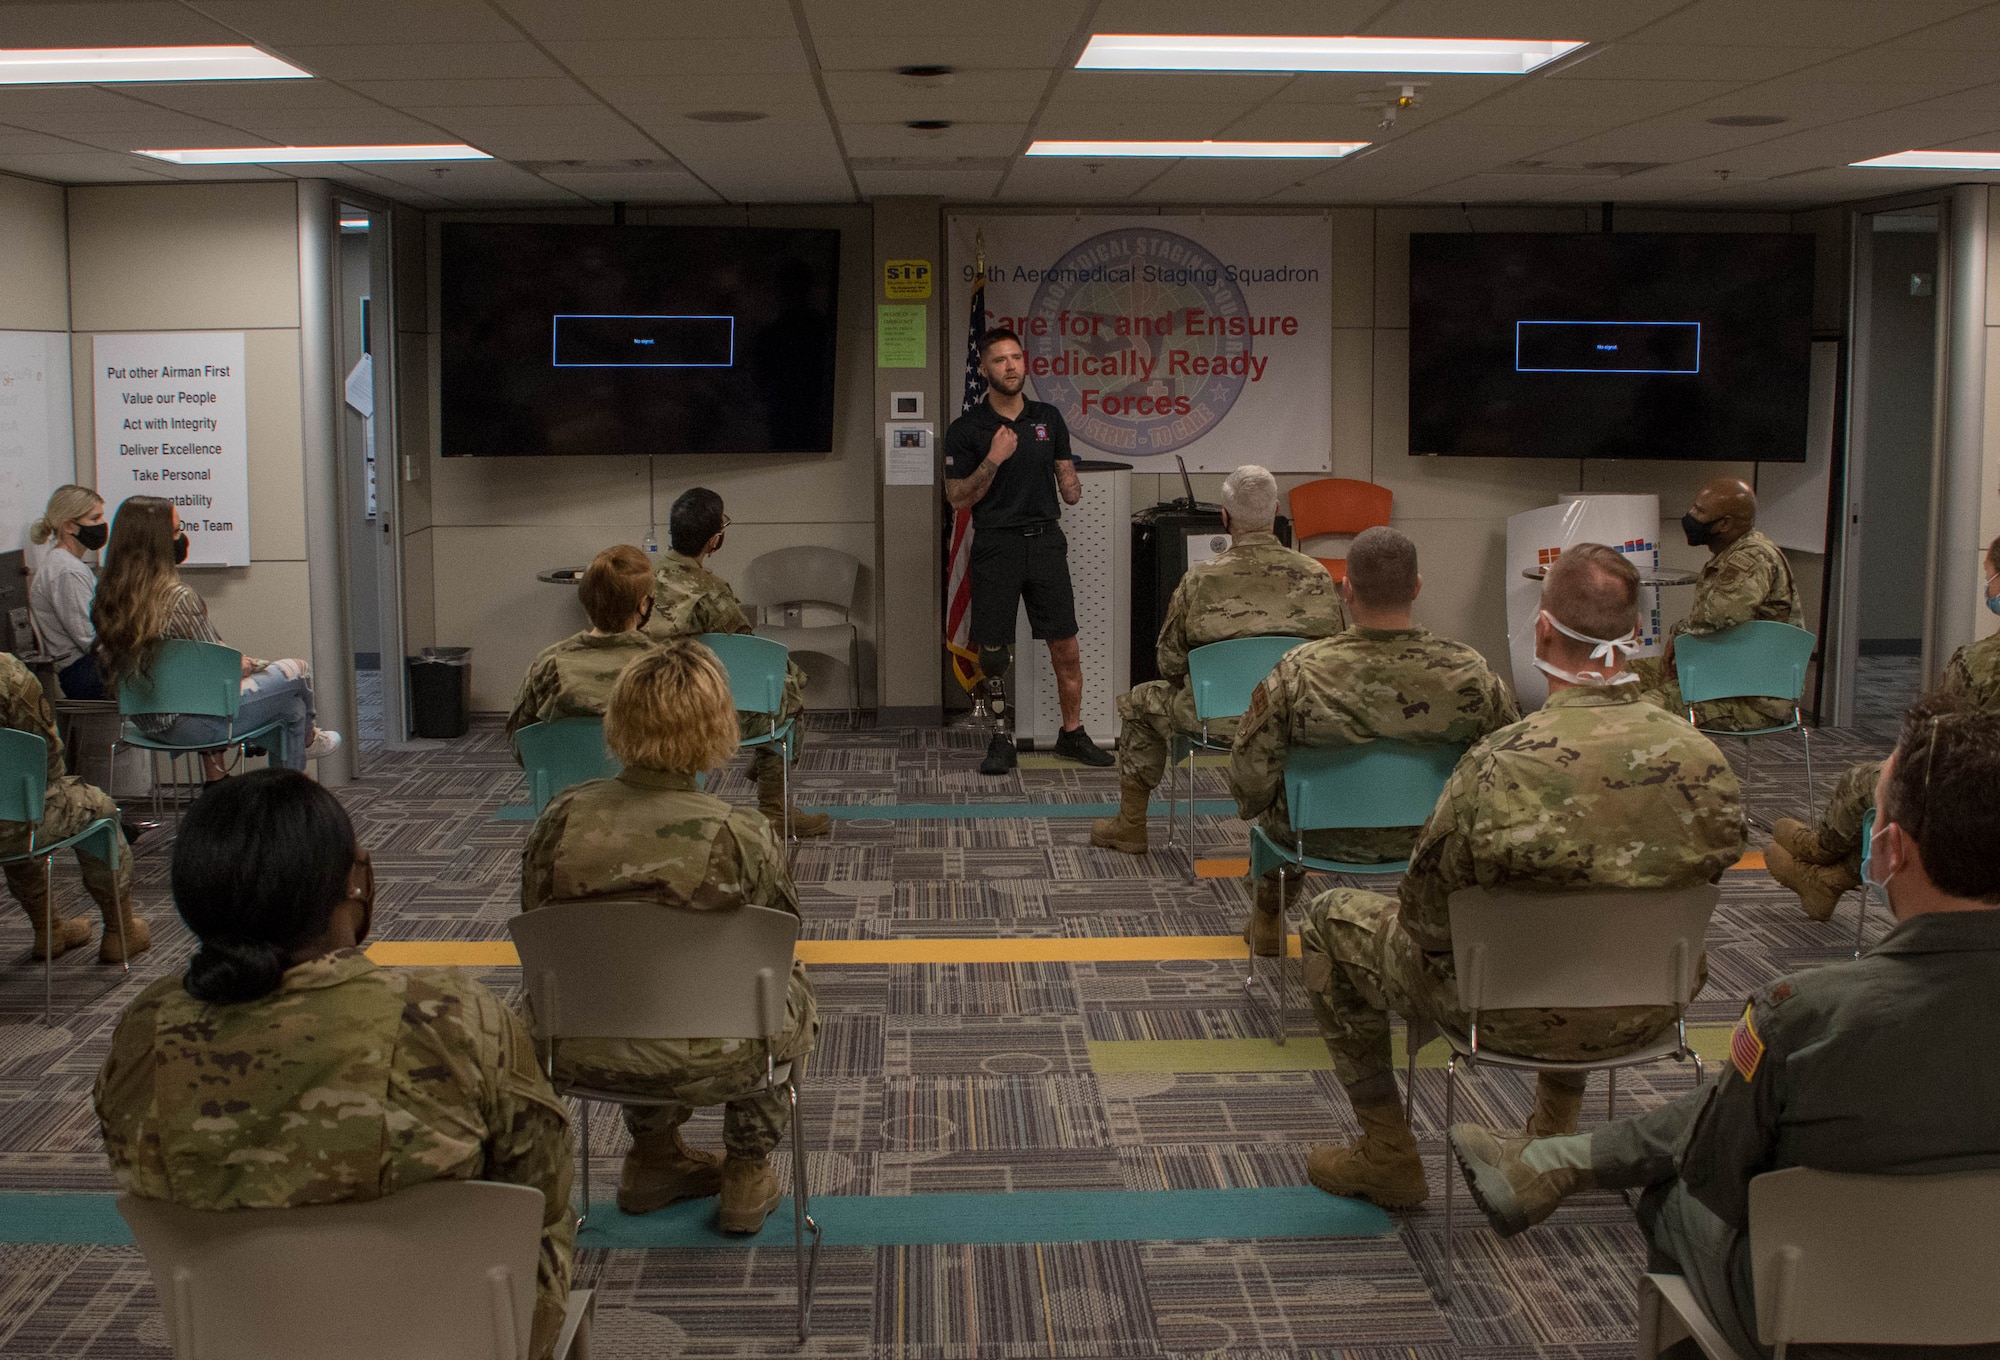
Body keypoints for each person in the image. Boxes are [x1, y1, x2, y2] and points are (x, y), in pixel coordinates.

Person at [1448, 698, 2000, 1360]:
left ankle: (1558, 1163)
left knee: (1677, 1188)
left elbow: (1719, 1174)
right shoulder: (1809, 1018)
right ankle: (1557, 1162)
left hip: (1816, 1321)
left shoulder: (1801, 1014)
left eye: (1873, 816)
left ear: (1892, 850)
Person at [1297, 544, 1745, 1208]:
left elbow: (1423, 919)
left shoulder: (1498, 765)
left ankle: (1388, 1154)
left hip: (1498, 1010)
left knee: (1328, 920)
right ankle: (1549, 1138)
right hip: (1650, 1006)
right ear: (1636, 635)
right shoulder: (1706, 761)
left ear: (1542, 629)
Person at [93, 770, 575, 1359]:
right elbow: (543, 1187)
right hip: (448, 1334)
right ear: (355, 883)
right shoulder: (454, 1017)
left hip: (245, 1332)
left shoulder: (142, 1035)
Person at [520, 639, 815, 1235]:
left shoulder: (560, 818)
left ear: (617, 721)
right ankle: (746, 1170)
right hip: (727, 1054)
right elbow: (777, 944)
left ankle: (654, 1157)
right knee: (787, 980)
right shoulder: (742, 833)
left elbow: (538, 924)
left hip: (577, 1044)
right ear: (718, 728)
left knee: (616, 968)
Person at [1228, 526, 1517, 956]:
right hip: (1429, 839)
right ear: (1417, 587)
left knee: (1278, 805)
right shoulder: (1469, 670)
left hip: (1315, 837)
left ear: (1346, 589)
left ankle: (1270, 915)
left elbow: (1250, 777)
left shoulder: (1298, 671)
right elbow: (1507, 764)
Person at [1090, 466, 1346, 856]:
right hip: (1293, 717)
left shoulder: (1200, 579)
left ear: (1224, 518)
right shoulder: (1316, 575)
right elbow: (1331, 657)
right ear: (1276, 510)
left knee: (1139, 702)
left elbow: (1169, 662)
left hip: (1215, 721)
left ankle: (1131, 826)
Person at [1767, 533, 2000, 921]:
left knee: (1869, 781)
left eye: (1989, 577)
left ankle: (1820, 852)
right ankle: (1826, 880)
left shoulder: (1979, 663)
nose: (1987, 587)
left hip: (1980, 793)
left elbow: (1933, 744)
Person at [943, 327, 1114, 776]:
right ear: (984, 370)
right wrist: (994, 457)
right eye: (1000, 360)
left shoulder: (1047, 416)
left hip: (1045, 543)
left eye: (1016, 357)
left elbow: (1066, 479)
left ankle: (1072, 733)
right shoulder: (967, 429)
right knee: (994, 651)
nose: (1011, 366)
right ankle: (1001, 738)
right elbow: (958, 497)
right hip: (996, 544)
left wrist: (1071, 484)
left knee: (1066, 645)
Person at [91, 496, 338, 775]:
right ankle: (308, 743)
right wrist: (253, 664)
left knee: (293, 710)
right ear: (156, 543)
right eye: (175, 531)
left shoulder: (108, 598)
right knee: (298, 670)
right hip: (192, 724)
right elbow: (221, 673)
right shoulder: (178, 599)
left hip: (143, 722)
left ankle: (292, 778)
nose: (181, 538)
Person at [645, 488, 828, 838]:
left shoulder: (642, 579)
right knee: (785, 696)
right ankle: (774, 809)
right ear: (715, 540)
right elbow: (745, 648)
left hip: (645, 703)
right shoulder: (711, 591)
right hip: (700, 707)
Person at [0, 650, 145, 961]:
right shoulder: (6, 673)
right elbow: (45, 763)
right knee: (95, 807)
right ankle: (121, 931)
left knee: (18, 809)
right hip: (13, 822)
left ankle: (50, 929)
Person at [1630, 476, 1802, 732]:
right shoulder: (1735, 553)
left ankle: (1664, 770)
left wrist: (1677, 635)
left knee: (1638, 711)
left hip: (1748, 695)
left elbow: (1721, 616)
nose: (1690, 516)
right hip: (1717, 674)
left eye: (1699, 511)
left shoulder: (1751, 559)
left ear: (1724, 524)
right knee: (1613, 678)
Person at [505, 544, 658, 760]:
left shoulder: (548, 664)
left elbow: (520, 744)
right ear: (643, 605)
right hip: (649, 791)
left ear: (586, 600)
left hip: (567, 790)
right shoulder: (667, 665)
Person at [27, 484, 110, 700]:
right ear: (69, 526)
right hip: (83, 672)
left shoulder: (67, 565)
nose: (102, 525)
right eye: (94, 519)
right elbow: (88, 638)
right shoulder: (66, 571)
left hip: (86, 668)